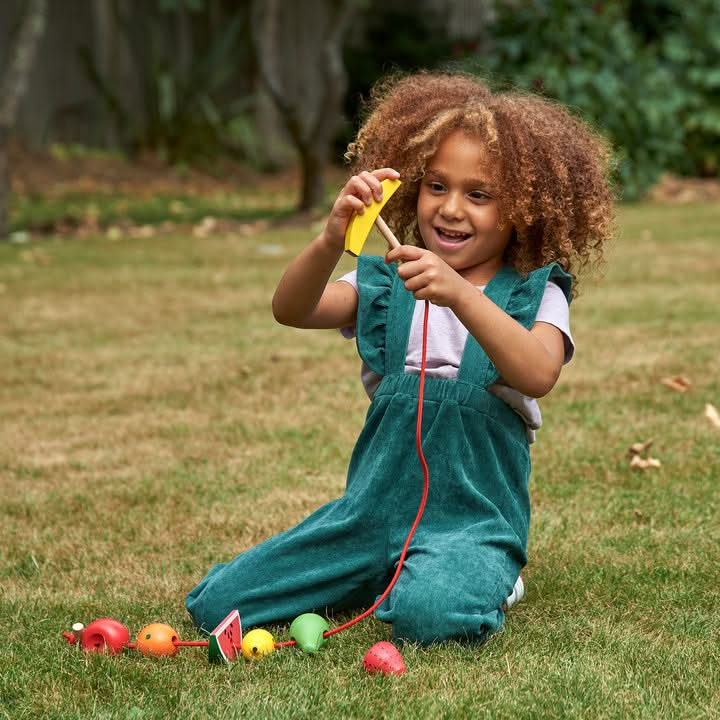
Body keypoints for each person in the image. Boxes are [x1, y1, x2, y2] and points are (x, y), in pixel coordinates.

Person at [186, 71, 614, 645]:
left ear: (525, 211)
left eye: (479, 194)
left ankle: (484, 576)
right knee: (218, 603)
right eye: (437, 186)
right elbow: (293, 308)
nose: (451, 209)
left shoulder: (534, 292)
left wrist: (459, 293)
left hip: (471, 522)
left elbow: (538, 372)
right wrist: (329, 240)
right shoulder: (388, 280)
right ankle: (382, 570)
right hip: (368, 517)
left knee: (428, 618)